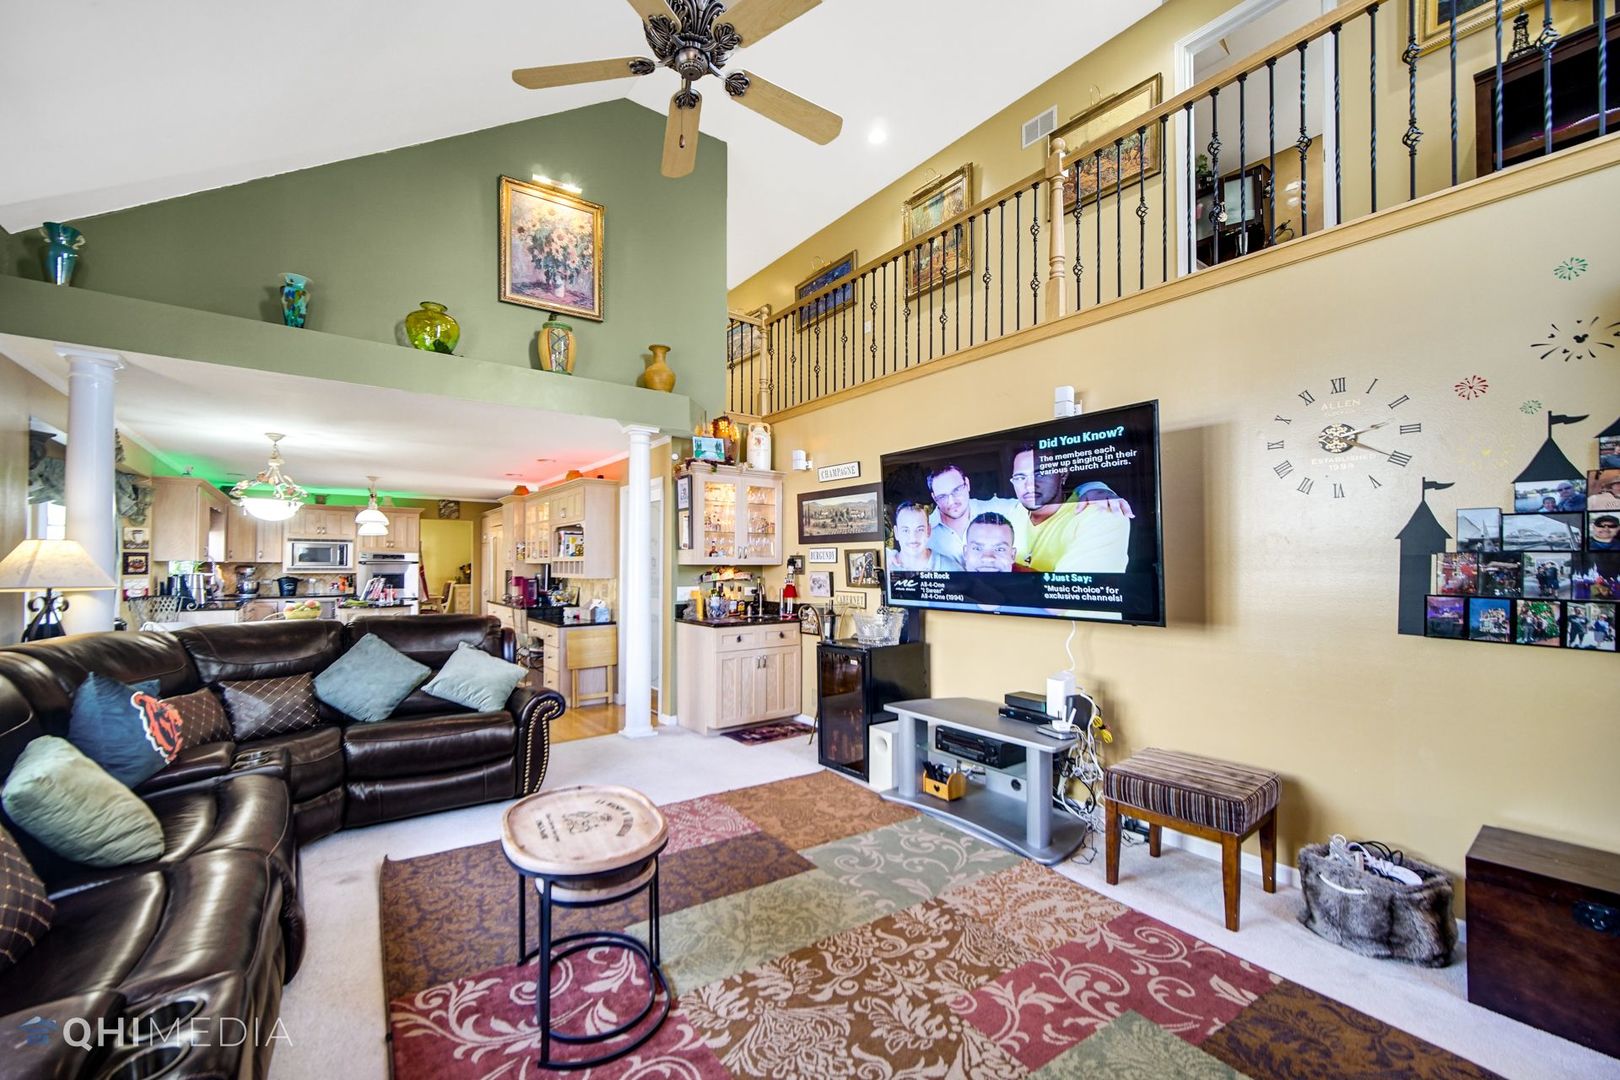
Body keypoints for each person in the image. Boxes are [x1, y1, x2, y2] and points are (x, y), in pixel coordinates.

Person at [1007, 445, 1132, 573]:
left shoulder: (1101, 512)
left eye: (1040, 474)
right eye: (1020, 478)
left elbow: (1076, 588)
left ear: (1063, 474)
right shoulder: (1011, 511)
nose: (1029, 486)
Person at [925, 464, 1027, 566]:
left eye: (956, 490)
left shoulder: (998, 509)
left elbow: (1032, 506)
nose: (951, 501)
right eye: (942, 496)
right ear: (934, 497)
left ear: (967, 484)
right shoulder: (923, 533)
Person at [888, 500, 963, 571]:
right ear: (896, 533)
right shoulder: (886, 566)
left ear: (928, 531)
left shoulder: (952, 568)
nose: (913, 538)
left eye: (920, 530)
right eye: (905, 530)